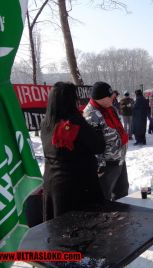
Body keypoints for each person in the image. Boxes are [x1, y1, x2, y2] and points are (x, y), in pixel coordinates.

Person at [41, 82, 106, 221]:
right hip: (77, 185)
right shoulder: (75, 122)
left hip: (52, 183)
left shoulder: (46, 122)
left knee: (56, 230)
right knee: (79, 232)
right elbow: (98, 146)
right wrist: (98, 131)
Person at [83, 81, 129, 201]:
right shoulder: (91, 114)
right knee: (105, 197)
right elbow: (93, 144)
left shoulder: (109, 107)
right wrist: (100, 167)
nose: (113, 98)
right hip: (107, 165)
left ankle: (123, 219)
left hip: (119, 159)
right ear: (101, 98)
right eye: (110, 96)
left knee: (122, 192)